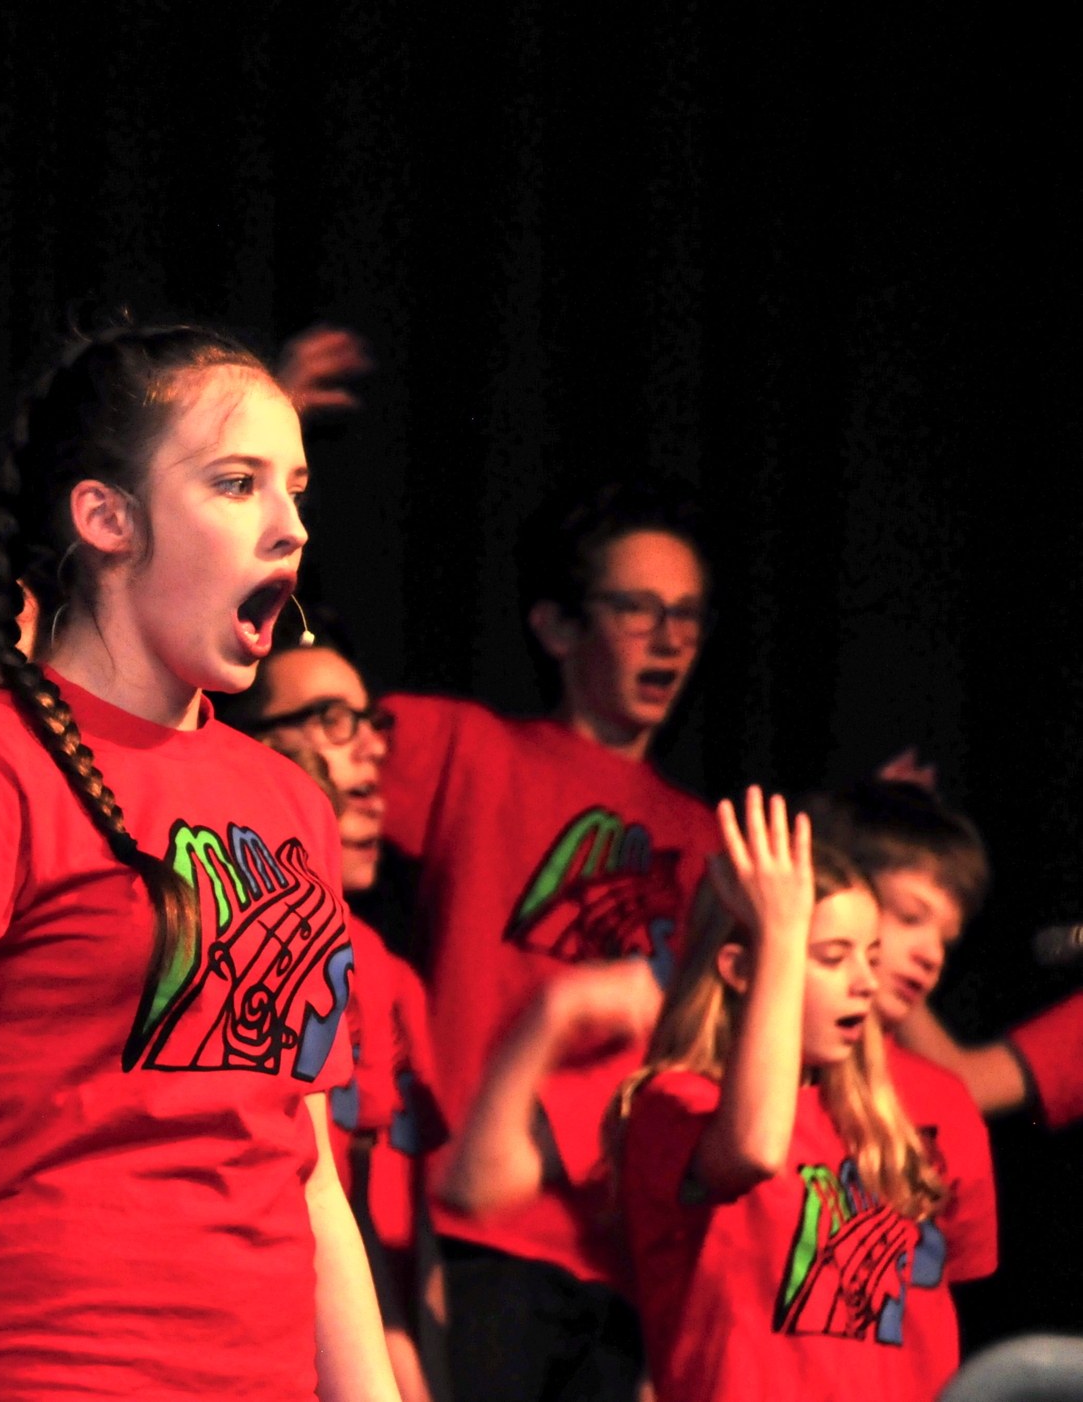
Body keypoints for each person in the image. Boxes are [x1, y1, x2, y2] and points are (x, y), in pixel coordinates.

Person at [0, 323, 400, 1401]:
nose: (290, 525)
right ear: (107, 519)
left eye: (295, 489)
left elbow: (307, 1175)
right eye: (237, 483)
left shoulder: (289, 803)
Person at [377, 479, 722, 1399]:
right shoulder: (474, 752)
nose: (669, 638)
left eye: (687, 614)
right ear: (558, 627)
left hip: (621, 1267)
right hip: (474, 1234)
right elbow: (305, 739)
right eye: (638, 608)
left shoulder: (707, 843)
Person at [614, 788, 944, 1402]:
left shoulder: (870, 1126)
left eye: (871, 957)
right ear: (740, 970)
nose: (865, 983)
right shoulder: (674, 1103)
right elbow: (754, 1149)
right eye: (832, 958)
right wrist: (783, 932)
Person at [229, 627, 445, 1402]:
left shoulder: (378, 966)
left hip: (342, 1308)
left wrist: (407, 1353)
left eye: (368, 722)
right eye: (328, 719)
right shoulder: (224, 932)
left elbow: (370, 1192)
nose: (367, 749)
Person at [813, 779, 999, 1397]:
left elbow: (957, 1274)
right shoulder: (758, 1075)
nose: (930, 955)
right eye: (910, 917)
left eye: (946, 939)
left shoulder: (946, 1105)